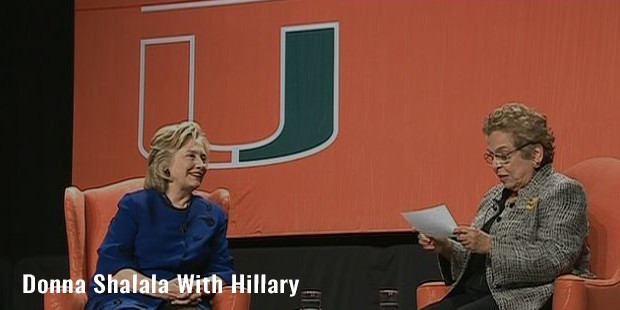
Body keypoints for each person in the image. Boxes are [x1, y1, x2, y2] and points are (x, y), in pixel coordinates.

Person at [418, 103, 592, 310]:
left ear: (536, 154)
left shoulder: (561, 191)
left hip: (521, 299)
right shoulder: (493, 195)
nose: (495, 165)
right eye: (491, 157)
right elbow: (480, 264)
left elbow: (555, 259)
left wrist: (491, 245)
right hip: (479, 293)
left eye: (504, 156)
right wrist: (447, 248)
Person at [86, 121, 235, 310]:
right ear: (166, 167)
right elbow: (114, 267)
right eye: (191, 156)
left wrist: (197, 288)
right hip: (131, 297)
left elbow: (222, 271)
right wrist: (162, 289)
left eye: (203, 158)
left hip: (185, 302)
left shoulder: (214, 215)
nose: (201, 165)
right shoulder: (135, 205)